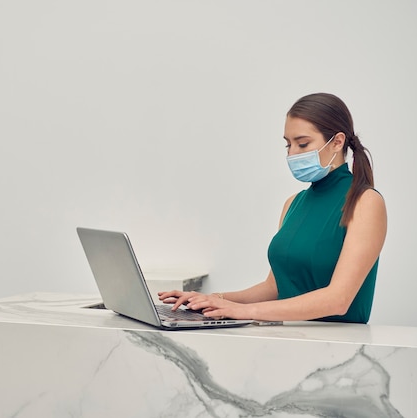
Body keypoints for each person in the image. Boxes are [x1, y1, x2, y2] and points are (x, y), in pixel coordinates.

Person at [158, 93, 387, 324]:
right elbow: (275, 288)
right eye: (288, 144)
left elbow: (338, 299)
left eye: (303, 143)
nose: (292, 154)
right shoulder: (293, 204)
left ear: (337, 142)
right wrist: (211, 300)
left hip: (337, 352)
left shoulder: (366, 202)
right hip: (285, 338)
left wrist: (243, 311)